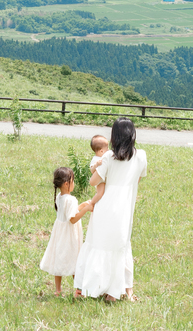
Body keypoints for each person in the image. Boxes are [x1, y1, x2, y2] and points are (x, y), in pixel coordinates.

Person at [74, 117, 148, 302]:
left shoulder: (108, 157)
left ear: (114, 136)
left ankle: (94, 286)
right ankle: (115, 292)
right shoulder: (141, 156)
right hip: (125, 207)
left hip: (105, 206)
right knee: (121, 246)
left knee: (99, 244)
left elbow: (93, 182)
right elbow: (137, 179)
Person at [39, 167, 92, 296]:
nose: (74, 183)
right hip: (69, 234)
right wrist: (86, 209)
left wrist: (81, 206)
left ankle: (58, 290)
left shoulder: (59, 197)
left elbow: (67, 211)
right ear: (66, 184)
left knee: (59, 257)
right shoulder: (71, 199)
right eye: (73, 181)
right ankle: (79, 288)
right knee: (75, 258)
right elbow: (73, 219)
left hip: (59, 232)